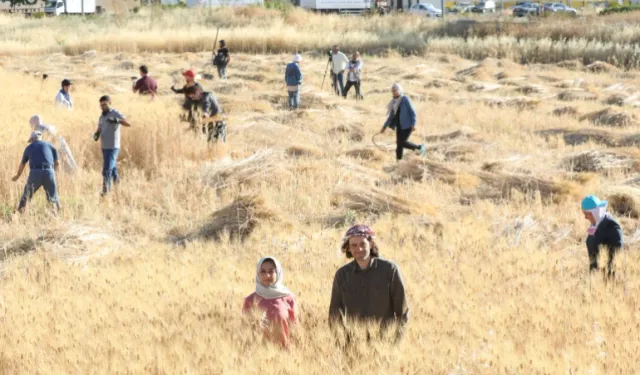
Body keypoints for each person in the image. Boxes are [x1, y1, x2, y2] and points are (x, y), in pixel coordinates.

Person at [328, 224, 409, 345]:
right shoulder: (342, 275)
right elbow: (335, 314)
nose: (358, 249)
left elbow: (402, 312)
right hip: (353, 346)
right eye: (354, 245)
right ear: (348, 248)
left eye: (362, 244)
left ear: (371, 244)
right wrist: (342, 343)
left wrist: (396, 343)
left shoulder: (390, 270)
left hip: (385, 344)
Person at [243, 256, 297, 348]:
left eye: (271, 271)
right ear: (258, 274)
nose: (267, 276)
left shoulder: (289, 298)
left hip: (284, 355)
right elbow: (245, 330)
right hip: (257, 354)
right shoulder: (250, 300)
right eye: (263, 272)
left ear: (278, 273)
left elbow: (295, 329)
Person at [12, 131, 61, 213]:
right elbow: (57, 163)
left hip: (35, 173)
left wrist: (18, 175)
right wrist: (52, 172)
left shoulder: (29, 148)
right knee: (53, 197)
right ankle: (57, 216)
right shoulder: (50, 146)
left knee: (27, 195)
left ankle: (19, 214)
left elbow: (23, 163)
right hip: (49, 172)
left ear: (32, 139)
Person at [93, 95, 131, 196]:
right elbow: (99, 128)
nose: (102, 107)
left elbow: (128, 123)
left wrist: (117, 120)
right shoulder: (101, 117)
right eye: (101, 105)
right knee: (112, 168)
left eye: (104, 104)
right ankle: (118, 186)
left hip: (113, 147)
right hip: (104, 147)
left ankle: (105, 193)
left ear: (110, 103)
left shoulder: (115, 113)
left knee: (106, 170)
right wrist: (96, 134)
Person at [380, 83, 427, 161]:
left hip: (407, 125)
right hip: (399, 126)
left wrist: (413, 124)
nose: (394, 92)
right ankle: (399, 162)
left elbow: (413, 112)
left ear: (399, 90)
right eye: (393, 91)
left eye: (395, 90)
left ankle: (420, 148)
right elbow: (391, 117)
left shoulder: (405, 99)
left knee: (402, 142)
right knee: (399, 146)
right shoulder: (393, 102)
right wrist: (384, 127)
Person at [582, 195, 623, 280]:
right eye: (584, 214)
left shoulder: (612, 226)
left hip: (609, 277)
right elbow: (590, 241)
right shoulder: (594, 224)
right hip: (596, 276)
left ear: (595, 212)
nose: (585, 217)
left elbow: (617, 253)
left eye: (587, 214)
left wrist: (608, 277)